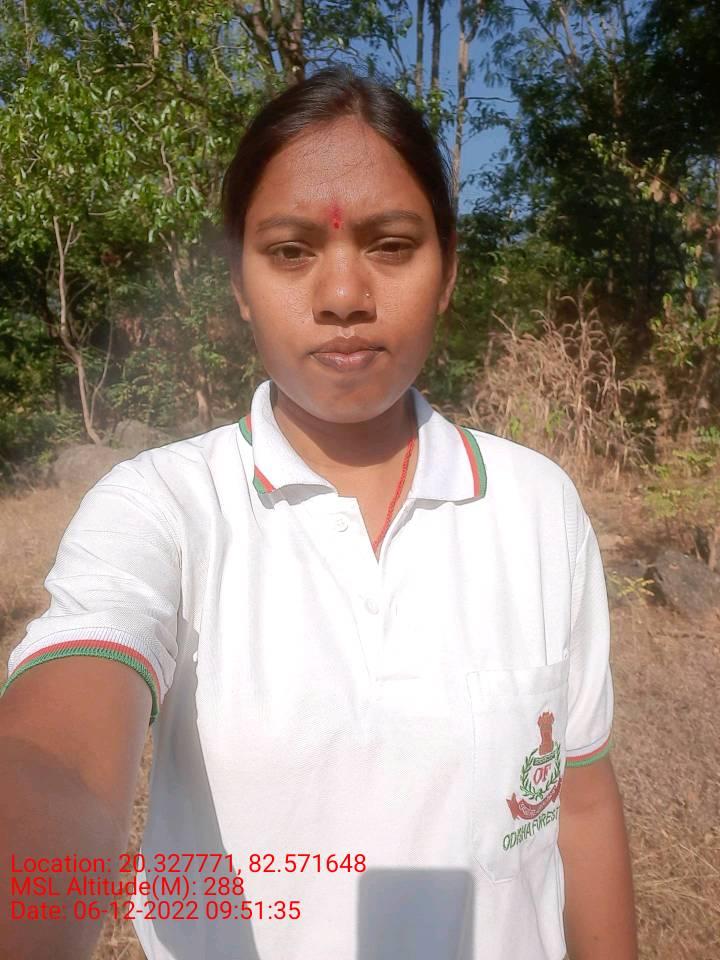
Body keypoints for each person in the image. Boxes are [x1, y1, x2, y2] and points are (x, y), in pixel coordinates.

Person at [0, 65, 637, 960]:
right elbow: (58, 752)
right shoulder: (165, 506)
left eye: (392, 245)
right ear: (238, 281)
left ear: (448, 271)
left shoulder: (537, 508)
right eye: (291, 251)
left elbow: (583, 801)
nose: (343, 297)